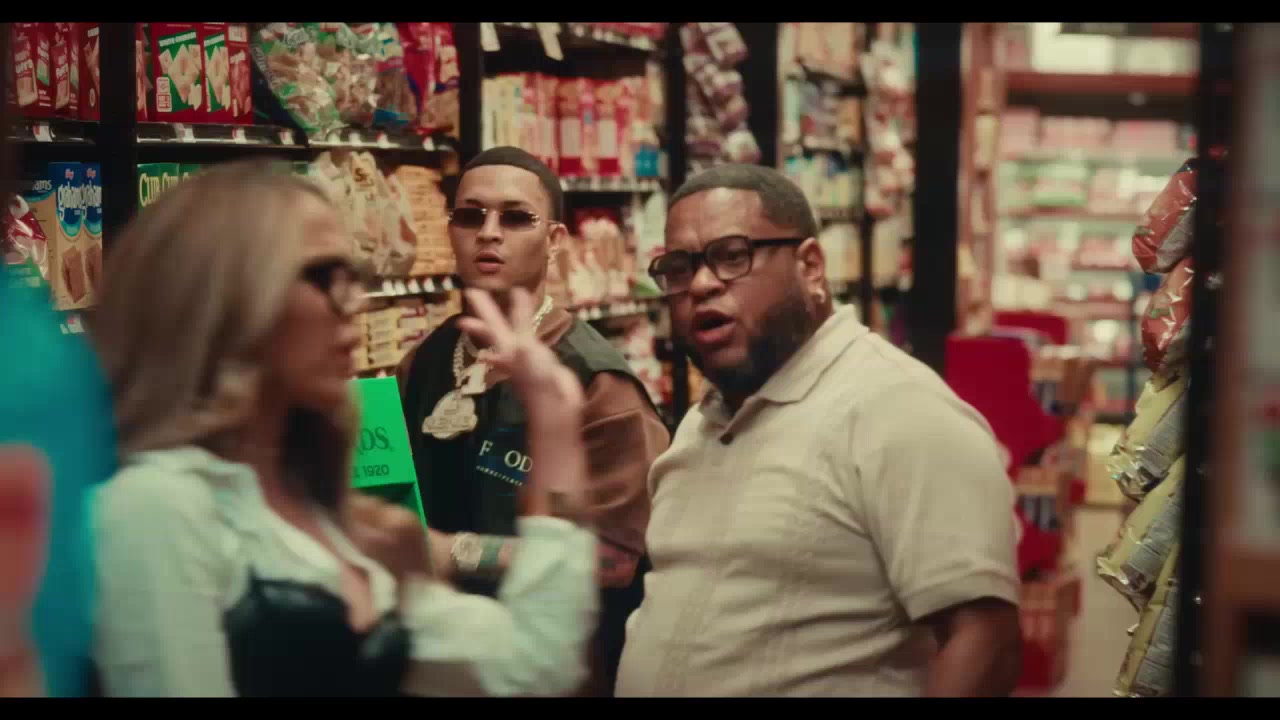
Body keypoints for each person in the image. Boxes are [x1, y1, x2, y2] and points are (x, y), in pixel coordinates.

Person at [88, 160, 598, 697]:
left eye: (353, 280)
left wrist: (555, 427)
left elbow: (533, 665)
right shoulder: (157, 507)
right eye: (327, 278)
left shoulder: (327, 515)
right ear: (228, 297)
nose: (353, 305)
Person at [615, 165, 1022, 697]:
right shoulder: (699, 425)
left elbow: (985, 642)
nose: (701, 284)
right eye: (678, 267)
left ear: (810, 266)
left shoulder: (900, 409)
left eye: (733, 256)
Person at [396, 146, 669, 695]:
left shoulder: (598, 383)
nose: (488, 233)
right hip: (437, 665)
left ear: (555, 239)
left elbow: (615, 560)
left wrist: (455, 552)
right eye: (470, 215)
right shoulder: (425, 360)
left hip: (545, 671)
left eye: (516, 217)